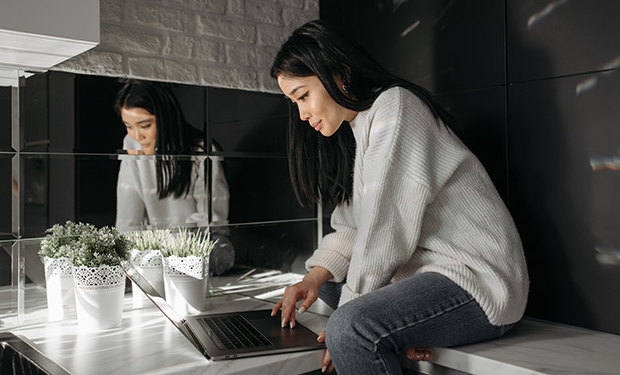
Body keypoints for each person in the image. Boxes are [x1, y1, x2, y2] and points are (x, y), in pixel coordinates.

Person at [269, 20, 529, 374]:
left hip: (477, 280)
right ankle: (402, 328)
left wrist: (352, 316)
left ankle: (391, 327)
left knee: (350, 328)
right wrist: (310, 280)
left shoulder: (395, 107)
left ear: (340, 74)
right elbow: (351, 230)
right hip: (427, 272)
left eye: (303, 96)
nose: (302, 114)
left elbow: (383, 231)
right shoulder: (356, 131)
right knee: (329, 286)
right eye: (294, 102)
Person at [114, 80, 233, 275]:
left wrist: (184, 254)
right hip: (151, 253)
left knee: (220, 251)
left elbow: (211, 224)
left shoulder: (202, 151)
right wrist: (125, 263)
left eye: (144, 126)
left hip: (194, 250)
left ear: (165, 119)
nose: (137, 136)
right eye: (128, 126)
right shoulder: (132, 145)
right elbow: (128, 219)